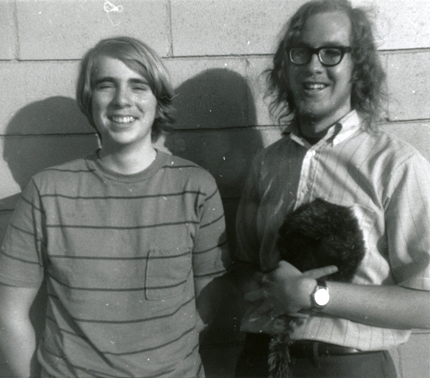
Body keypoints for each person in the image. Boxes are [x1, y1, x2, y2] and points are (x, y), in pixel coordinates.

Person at [0, 36, 230, 377]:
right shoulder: (46, 191)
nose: (123, 101)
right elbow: (10, 312)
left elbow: (211, 297)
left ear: (158, 99)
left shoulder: (195, 187)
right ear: (89, 98)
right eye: (107, 85)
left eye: (138, 86)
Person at [233, 0, 430, 376]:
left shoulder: (396, 165)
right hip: (262, 360)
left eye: (331, 53)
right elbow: (243, 266)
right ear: (286, 68)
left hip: (347, 365)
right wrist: (263, 287)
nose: (313, 66)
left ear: (359, 67)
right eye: (301, 52)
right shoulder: (267, 164)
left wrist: (316, 296)